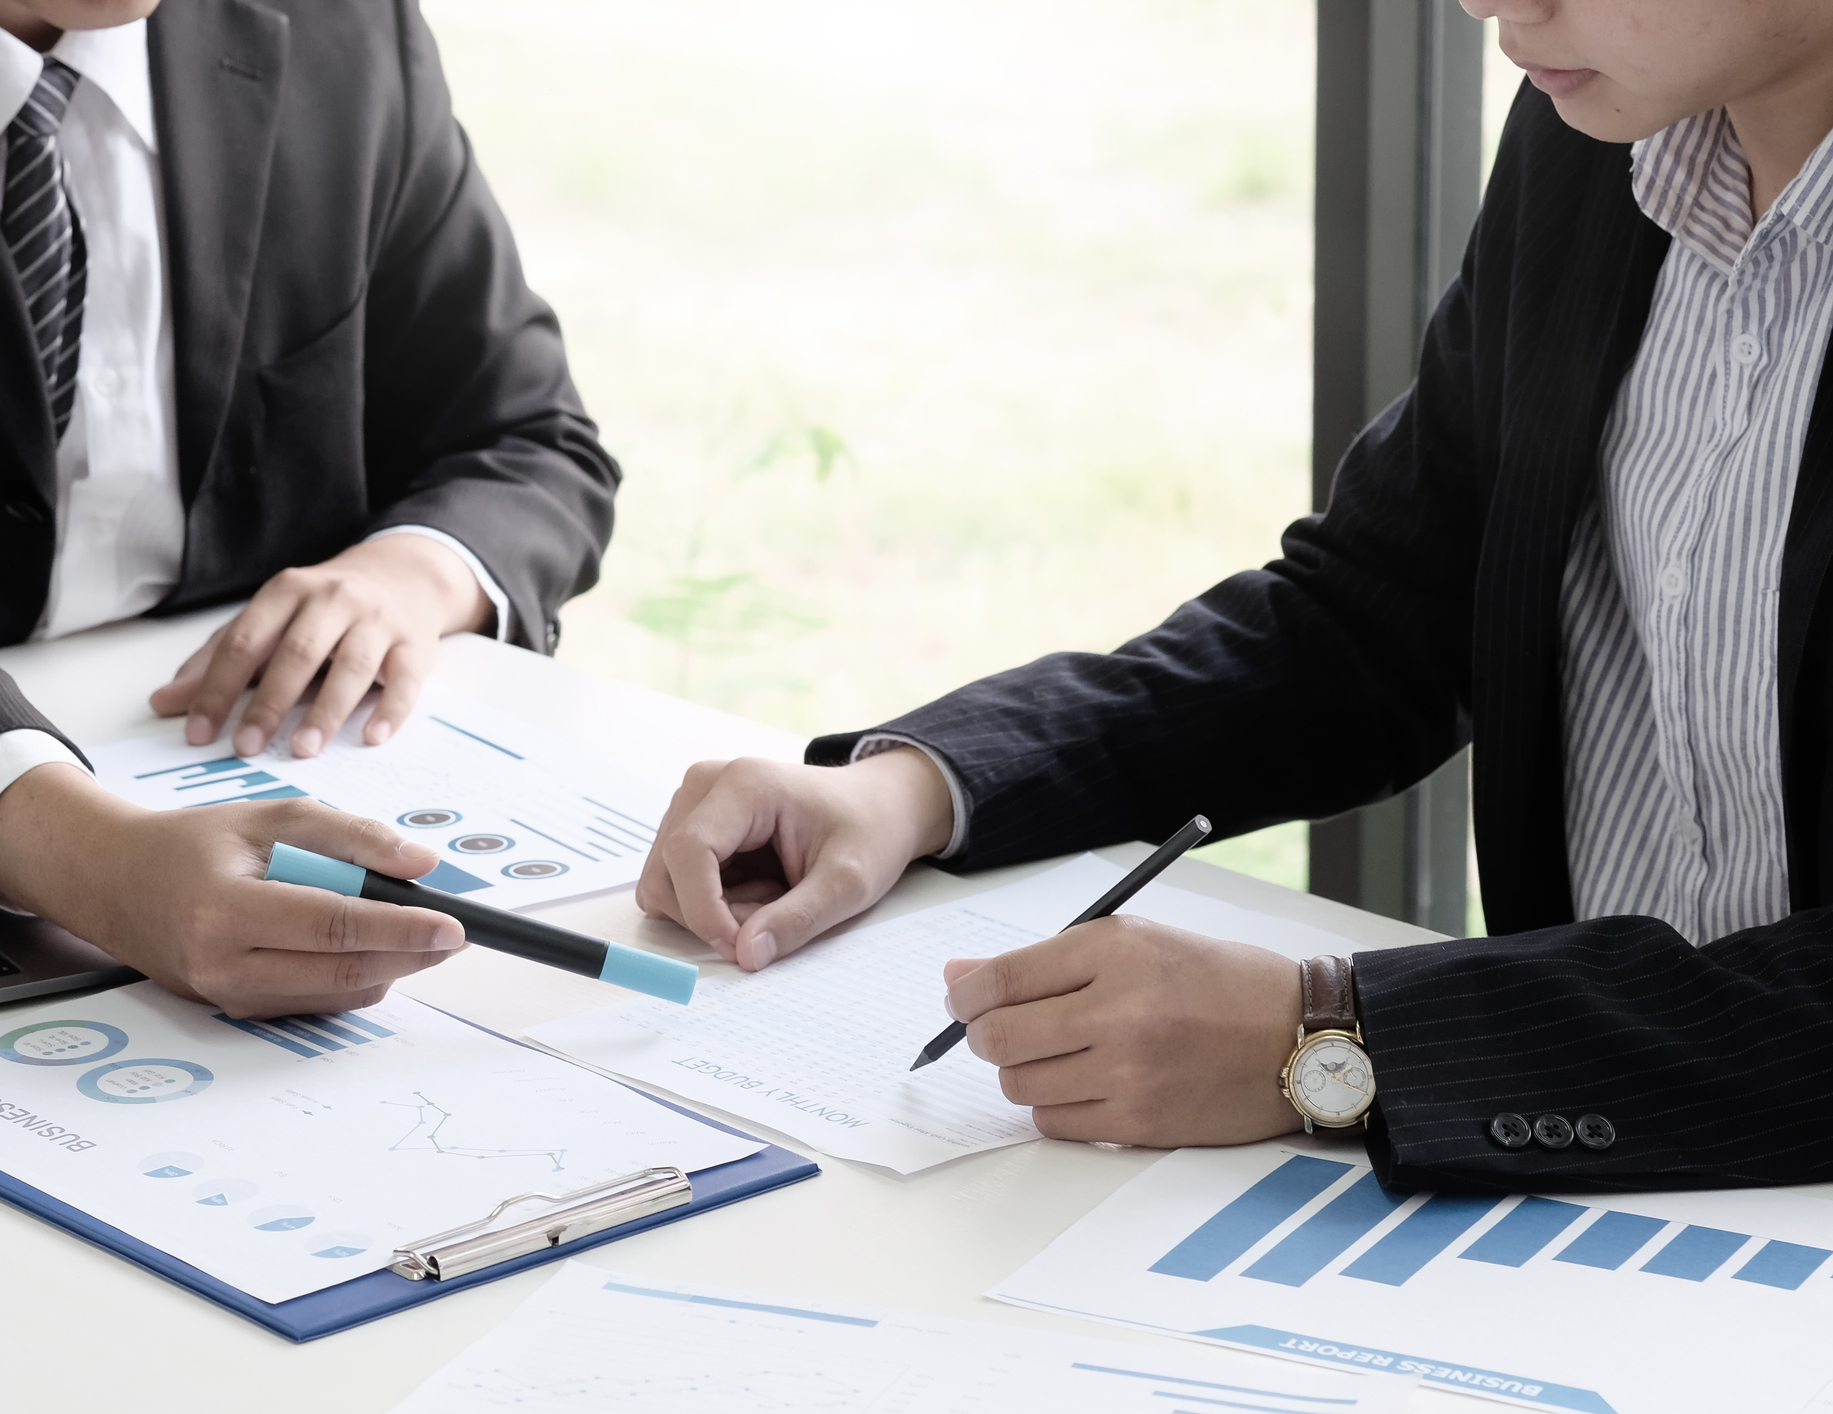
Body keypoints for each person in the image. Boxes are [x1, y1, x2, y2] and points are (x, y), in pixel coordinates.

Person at [637, 0, 1833, 1194]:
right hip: (1599, 1201)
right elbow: (1372, 618)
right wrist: (919, 788)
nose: (1491, 5)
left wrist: (1331, 1037)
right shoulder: (1609, 135)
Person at [0, 0, 619, 1016]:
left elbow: (529, 434)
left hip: (279, 771)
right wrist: (95, 861)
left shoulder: (343, 30)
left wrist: (413, 571)